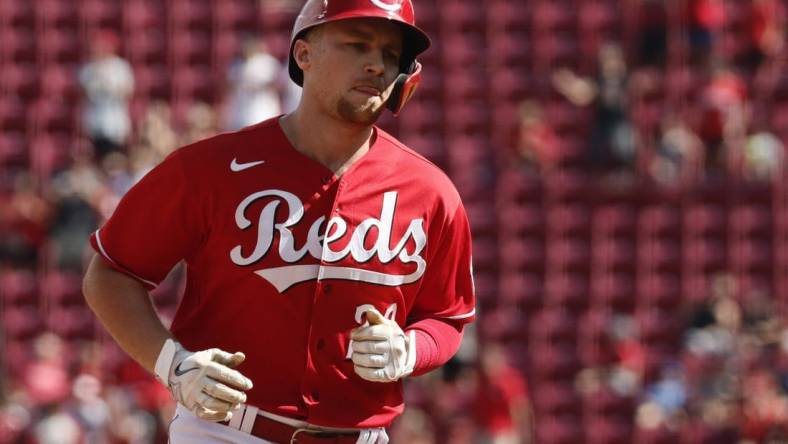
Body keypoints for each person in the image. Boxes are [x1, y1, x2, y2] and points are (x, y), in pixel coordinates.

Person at [81, 1, 476, 443]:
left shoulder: (431, 192)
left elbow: (446, 317)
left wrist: (410, 349)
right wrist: (172, 364)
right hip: (227, 433)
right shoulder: (210, 168)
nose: (375, 65)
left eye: (390, 54)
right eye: (357, 44)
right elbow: (112, 273)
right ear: (303, 54)